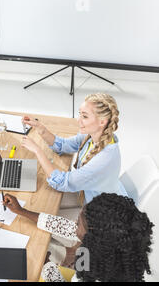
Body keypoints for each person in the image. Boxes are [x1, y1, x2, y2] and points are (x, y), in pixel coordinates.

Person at [21, 93, 128, 221]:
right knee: (42, 196)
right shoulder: (95, 136)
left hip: (102, 219)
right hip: (89, 194)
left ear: (102, 122)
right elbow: (64, 145)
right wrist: (40, 128)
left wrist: (37, 151)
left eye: (85, 116)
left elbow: (61, 182)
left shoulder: (103, 159)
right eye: (80, 114)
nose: (79, 120)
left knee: (39, 211)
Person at [3, 193, 154, 282]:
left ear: (92, 237)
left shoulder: (93, 272)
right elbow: (65, 226)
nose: (74, 222)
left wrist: (47, 265)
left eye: (79, 221)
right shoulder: (112, 247)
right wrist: (22, 211)